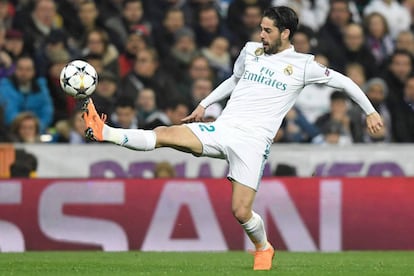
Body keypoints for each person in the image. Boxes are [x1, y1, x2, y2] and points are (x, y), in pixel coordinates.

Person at [82, 6, 383, 270]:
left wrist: (369, 111)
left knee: (240, 211)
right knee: (165, 134)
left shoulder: (303, 66)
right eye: (260, 29)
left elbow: (345, 83)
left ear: (285, 33)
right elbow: (234, 80)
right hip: (224, 128)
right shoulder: (250, 51)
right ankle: (103, 131)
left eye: (268, 30)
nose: (261, 34)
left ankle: (263, 248)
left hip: (253, 143)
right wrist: (204, 105)